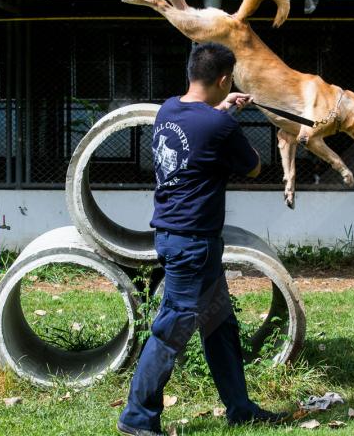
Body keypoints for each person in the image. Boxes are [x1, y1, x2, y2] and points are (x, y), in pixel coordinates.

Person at [117, 42, 289, 436]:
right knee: (171, 329)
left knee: (220, 325)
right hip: (193, 244)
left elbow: (199, 130)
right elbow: (253, 167)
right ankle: (137, 416)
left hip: (178, 236)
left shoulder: (169, 109)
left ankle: (240, 408)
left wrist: (223, 108)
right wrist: (229, 117)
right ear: (225, 79)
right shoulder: (219, 125)